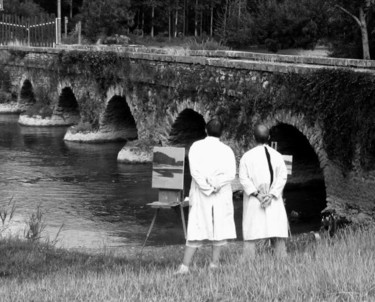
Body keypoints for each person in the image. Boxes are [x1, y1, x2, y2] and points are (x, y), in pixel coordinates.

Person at [174, 118, 236, 274]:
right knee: (217, 226)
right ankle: (214, 264)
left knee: (196, 225)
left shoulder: (196, 146)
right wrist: (216, 185)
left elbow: (194, 171)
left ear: (205, 130)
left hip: (202, 192)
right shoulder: (227, 150)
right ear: (222, 133)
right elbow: (230, 174)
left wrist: (206, 187)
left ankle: (185, 266)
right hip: (220, 192)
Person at [239, 123, 288, 258]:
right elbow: (282, 177)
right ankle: (281, 260)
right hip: (273, 199)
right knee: (276, 230)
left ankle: (248, 262)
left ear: (253, 137)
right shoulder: (278, 156)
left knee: (251, 233)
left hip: (256, 200)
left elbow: (243, 179)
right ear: (269, 137)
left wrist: (257, 194)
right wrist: (271, 194)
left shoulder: (246, 157)